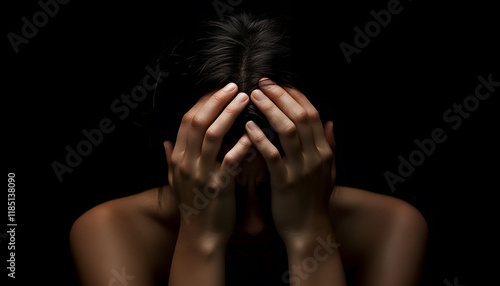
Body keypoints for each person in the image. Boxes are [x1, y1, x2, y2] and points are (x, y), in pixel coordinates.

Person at [70, 13, 428, 286]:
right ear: (174, 158)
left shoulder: (391, 226)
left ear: (327, 148)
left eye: (277, 191)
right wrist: (201, 238)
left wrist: (309, 232)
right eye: (228, 194)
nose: (255, 226)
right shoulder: (110, 229)